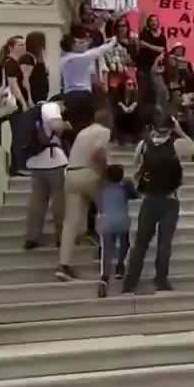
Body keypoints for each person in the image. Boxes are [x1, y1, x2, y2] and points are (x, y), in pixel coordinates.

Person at [123, 113, 194, 293]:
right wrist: (180, 131)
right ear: (171, 127)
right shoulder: (177, 145)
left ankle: (130, 281)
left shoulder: (143, 146)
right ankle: (161, 279)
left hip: (149, 199)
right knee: (165, 242)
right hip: (170, 199)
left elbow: (135, 166)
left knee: (141, 242)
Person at [57, 109, 112, 282]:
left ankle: (63, 265)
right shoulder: (104, 131)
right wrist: (105, 173)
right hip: (89, 173)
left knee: (70, 222)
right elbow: (98, 153)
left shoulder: (83, 131)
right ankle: (106, 253)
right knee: (106, 211)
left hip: (71, 174)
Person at [22, 101, 68, 251]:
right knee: (59, 200)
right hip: (53, 161)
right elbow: (56, 126)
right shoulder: (51, 107)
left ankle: (32, 237)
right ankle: (61, 237)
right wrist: (65, 125)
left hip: (35, 162)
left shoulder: (34, 111)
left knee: (37, 201)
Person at [97, 165, 138, 298]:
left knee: (107, 251)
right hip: (121, 220)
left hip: (106, 221)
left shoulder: (102, 187)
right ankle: (120, 265)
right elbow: (136, 195)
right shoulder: (125, 186)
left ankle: (104, 278)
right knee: (125, 244)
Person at [0, 35, 32, 176]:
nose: (23, 47)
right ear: (11, 47)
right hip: (15, 104)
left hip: (18, 103)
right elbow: (13, 85)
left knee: (19, 133)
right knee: (19, 135)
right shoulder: (10, 63)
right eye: (19, 45)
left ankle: (16, 166)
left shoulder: (15, 63)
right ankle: (19, 166)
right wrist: (23, 102)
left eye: (24, 44)